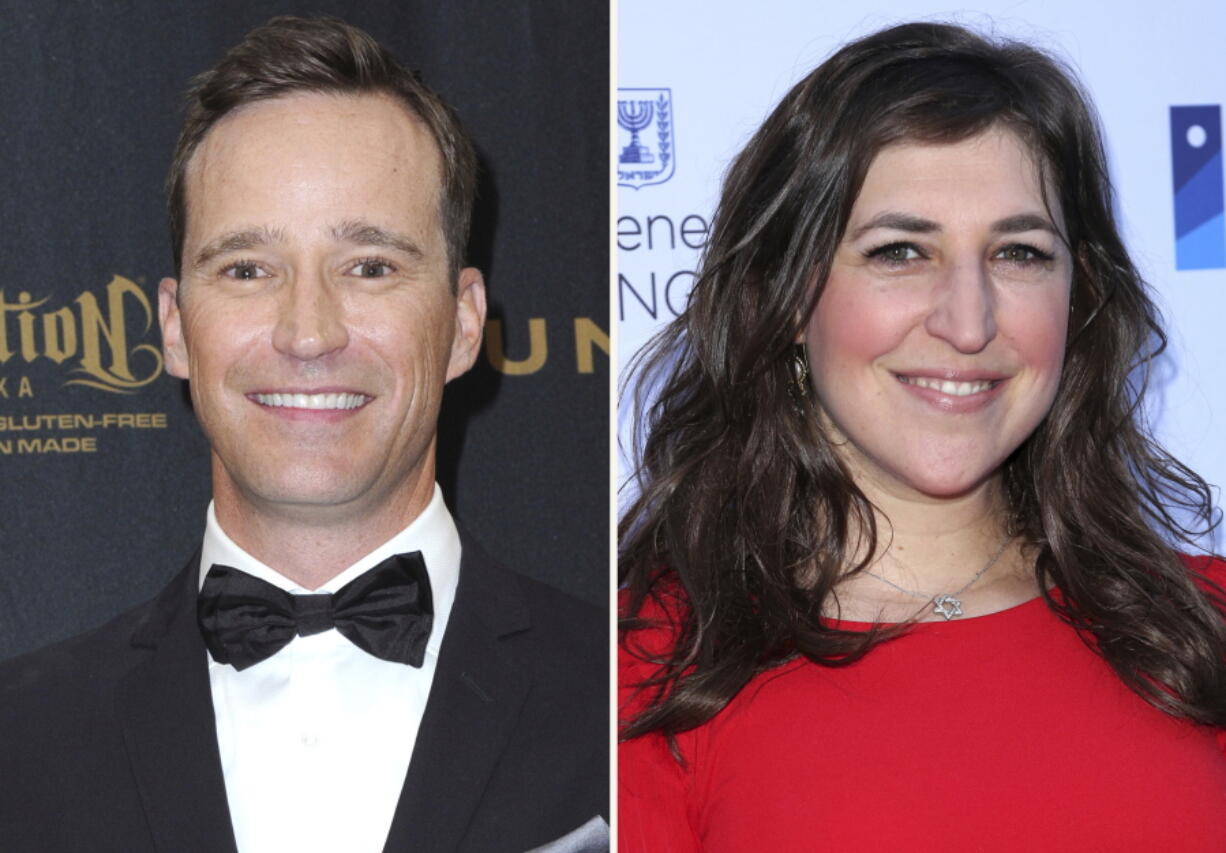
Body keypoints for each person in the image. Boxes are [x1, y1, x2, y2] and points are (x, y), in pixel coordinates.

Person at [0, 16, 606, 853]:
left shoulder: (633, 697)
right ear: (175, 327)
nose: (309, 332)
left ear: (464, 323)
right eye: (247, 269)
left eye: (370, 267)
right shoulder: (20, 739)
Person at [618, 21, 1226, 851]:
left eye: (1018, 253)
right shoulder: (649, 667)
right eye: (901, 250)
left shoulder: (1202, 624)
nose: (969, 322)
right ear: (790, 297)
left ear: (1079, 299)